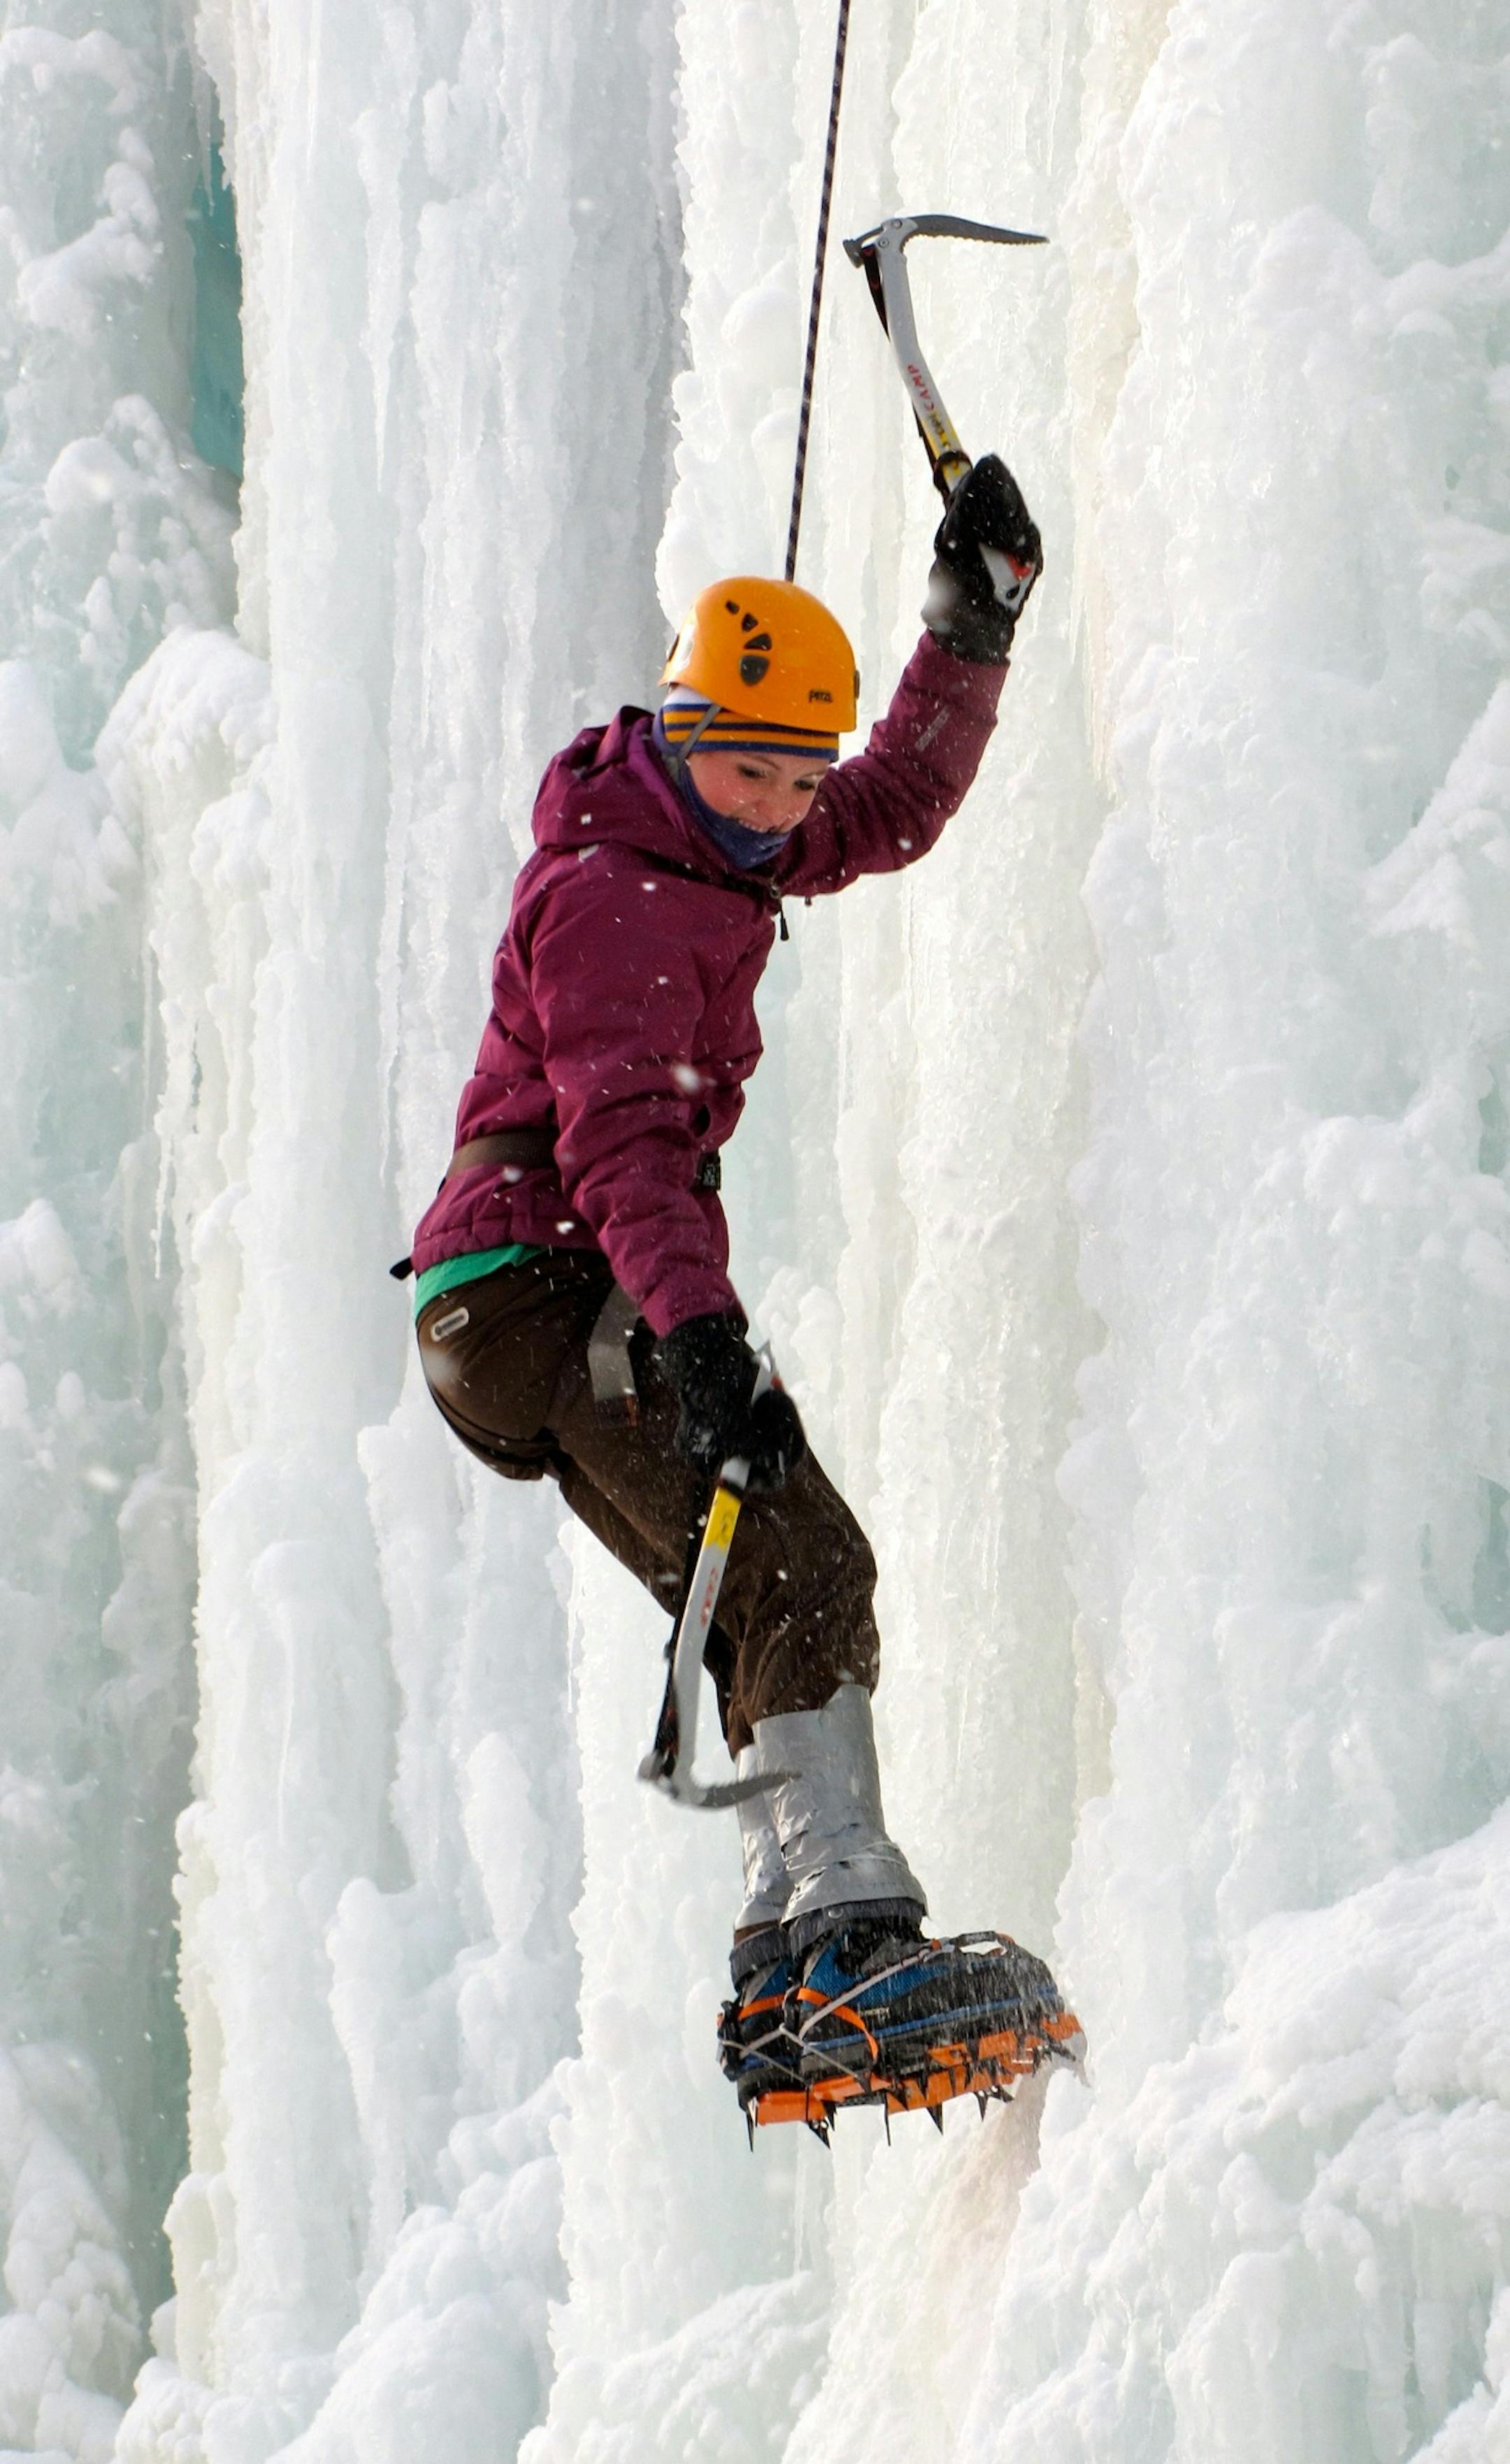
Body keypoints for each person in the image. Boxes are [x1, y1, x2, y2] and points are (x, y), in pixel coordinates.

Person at [403, 456, 1069, 2119]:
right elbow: (621, 1146)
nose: (782, 800)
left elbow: (892, 806)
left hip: (526, 1304)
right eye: (749, 764)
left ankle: (789, 1958)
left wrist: (966, 627)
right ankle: (851, 1930)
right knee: (799, 1547)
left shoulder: (713, 847)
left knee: (758, 1583)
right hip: (545, 1286)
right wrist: (702, 1343)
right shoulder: (613, 893)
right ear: (682, 735)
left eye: (797, 772)